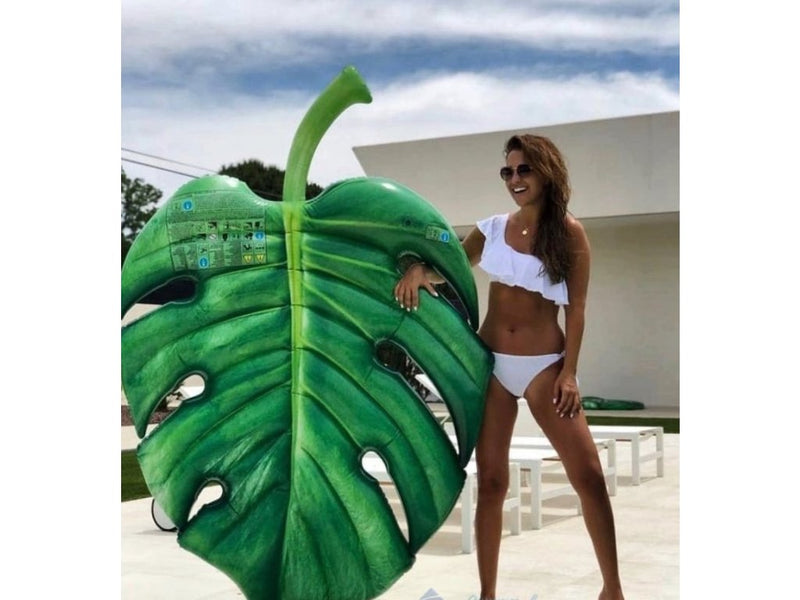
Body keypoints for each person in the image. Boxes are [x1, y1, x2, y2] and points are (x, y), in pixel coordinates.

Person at [393, 134, 624, 600]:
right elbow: (452, 267)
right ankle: (488, 595)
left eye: (523, 170)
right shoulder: (493, 229)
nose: (514, 179)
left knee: (590, 476)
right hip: (492, 366)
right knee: (493, 482)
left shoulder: (570, 234)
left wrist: (570, 372)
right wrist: (419, 270)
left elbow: (577, 309)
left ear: (546, 173)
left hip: (545, 368)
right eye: (508, 171)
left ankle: (612, 589)